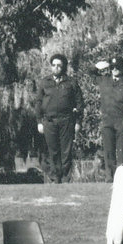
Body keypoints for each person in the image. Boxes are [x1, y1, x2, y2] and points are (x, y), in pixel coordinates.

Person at [36, 53, 84, 184]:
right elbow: (38, 103)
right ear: (51, 66)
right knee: (53, 151)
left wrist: (78, 122)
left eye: (59, 65)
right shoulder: (44, 82)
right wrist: (39, 122)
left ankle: (65, 178)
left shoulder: (71, 83)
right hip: (49, 121)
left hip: (67, 121)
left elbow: (80, 103)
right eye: (54, 65)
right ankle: (55, 178)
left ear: (63, 67)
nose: (56, 67)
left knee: (66, 151)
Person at [96, 58, 123, 181]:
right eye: (112, 67)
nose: (114, 69)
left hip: (122, 122)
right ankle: (109, 177)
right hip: (107, 121)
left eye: (117, 67)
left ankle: (121, 178)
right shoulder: (104, 80)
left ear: (122, 68)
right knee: (108, 151)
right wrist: (102, 65)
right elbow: (91, 71)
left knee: (121, 152)